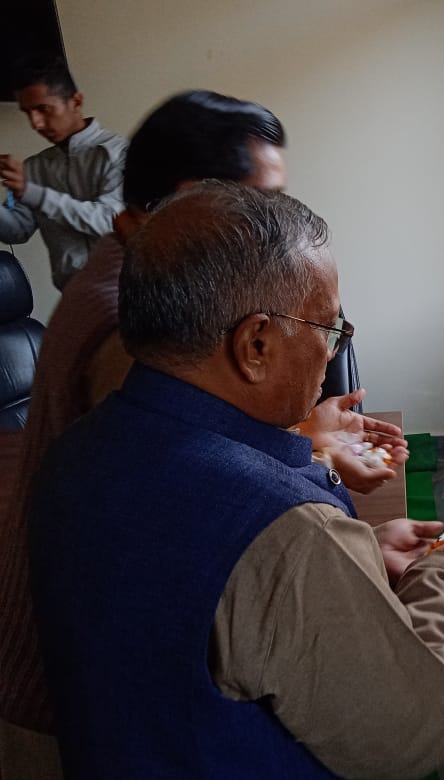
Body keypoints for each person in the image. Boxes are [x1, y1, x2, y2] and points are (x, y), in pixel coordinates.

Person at [0, 90, 408, 777]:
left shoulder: (133, 269)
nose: (279, 222)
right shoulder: (133, 329)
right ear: (196, 201)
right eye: (266, 202)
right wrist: (324, 473)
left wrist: (313, 443)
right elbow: (192, 505)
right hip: (70, 696)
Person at [28, 181, 444, 778]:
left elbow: (185, 595)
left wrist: (357, 562)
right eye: (329, 326)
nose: (330, 350)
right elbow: (417, 737)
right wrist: (437, 573)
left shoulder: (73, 454)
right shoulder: (288, 532)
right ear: (256, 344)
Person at [0, 53, 126, 290]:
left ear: (76, 102)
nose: (35, 123)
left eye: (43, 109)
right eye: (27, 113)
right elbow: (17, 232)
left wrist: (32, 192)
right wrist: (18, 193)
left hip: (130, 294)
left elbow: (110, 222)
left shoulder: (117, 153)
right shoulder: (33, 168)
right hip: (75, 298)